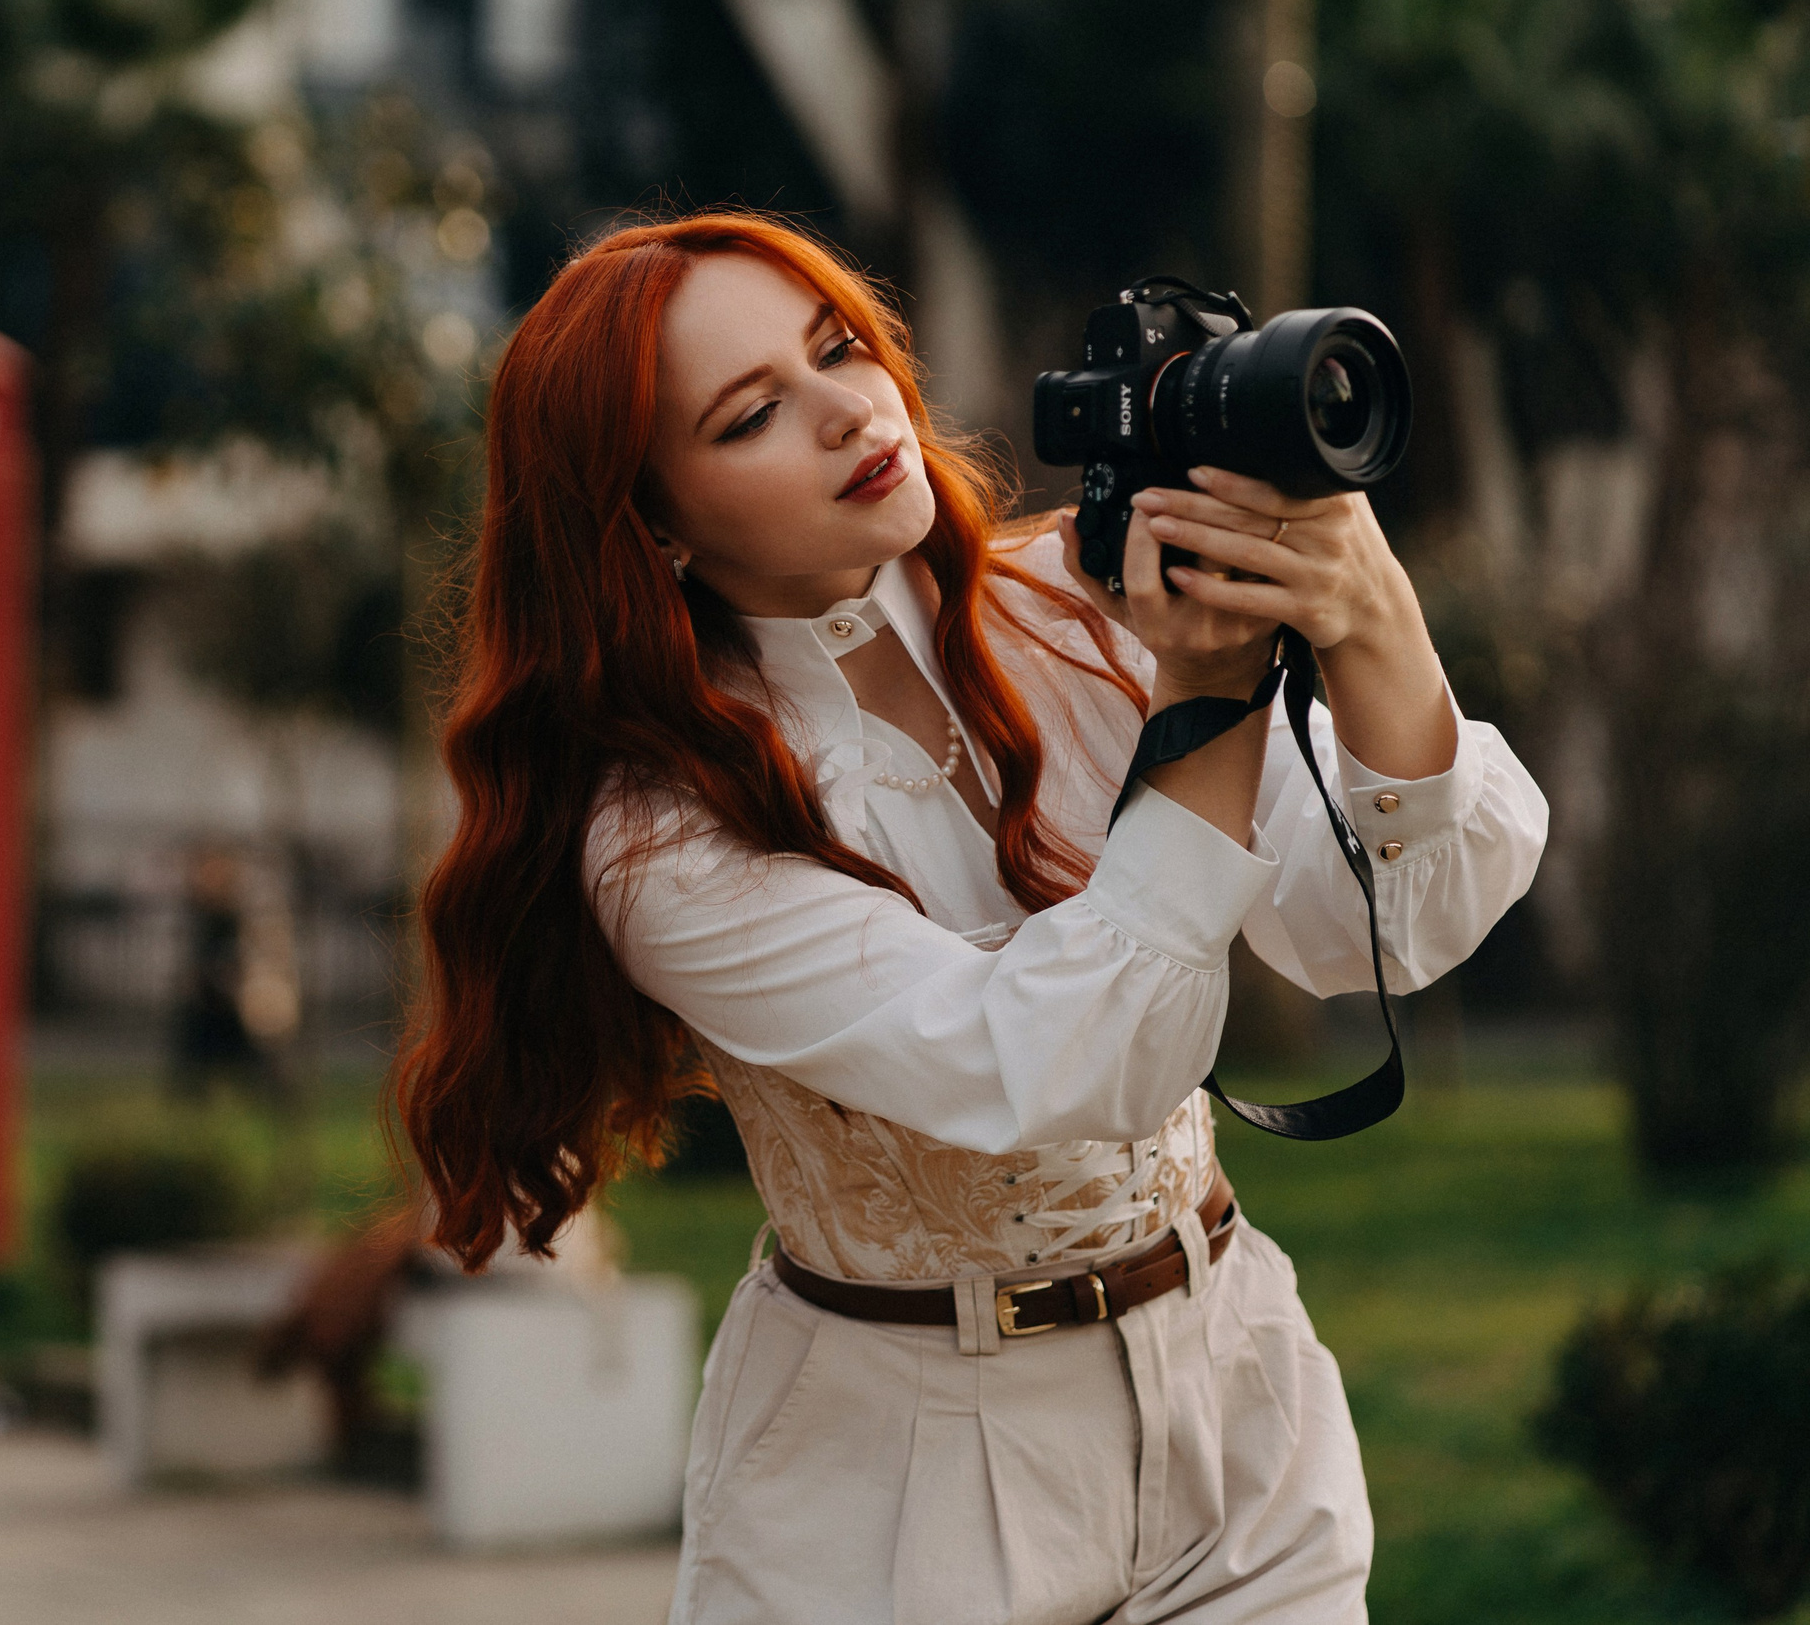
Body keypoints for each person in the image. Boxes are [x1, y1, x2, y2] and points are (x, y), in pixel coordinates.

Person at [392, 214, 1546, 1623]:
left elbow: (1383, 928)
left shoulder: (1078, 604)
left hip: (1234, 1402)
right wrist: (1213, 700)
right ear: (653, 526)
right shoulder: (658, 840)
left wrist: (1374, 624)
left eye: (839, 349)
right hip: (899, 1482)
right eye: (753, 413)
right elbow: (1046, 1061)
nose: (847, 412)